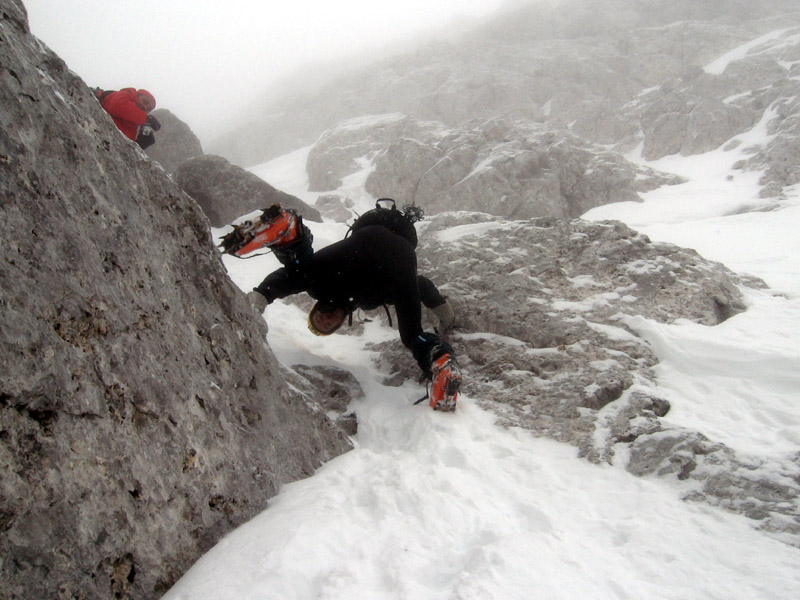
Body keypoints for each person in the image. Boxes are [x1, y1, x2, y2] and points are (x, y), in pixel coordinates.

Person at [240, 204, 461, 411]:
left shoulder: (321, 288)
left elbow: (288, 280)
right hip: (399, 253)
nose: (326, 318)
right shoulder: (371, 299)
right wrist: (441, 306)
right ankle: (440, 361)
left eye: (319, 318)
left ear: (317, 307)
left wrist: (262, 295)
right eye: (329, 324)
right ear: (340, 323)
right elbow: (419, 285)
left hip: (367, 238)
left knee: (303, 274)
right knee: (411, 335)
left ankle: (289, 237)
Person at [95, 88, 160, 149]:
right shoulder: (126, 94)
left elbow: (122, 147)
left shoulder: (132, 123)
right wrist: (145, 119)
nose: (144, 107)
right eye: (145, 101)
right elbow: (119, 105)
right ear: (137, 95)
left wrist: (139, 144)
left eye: (148, 109)